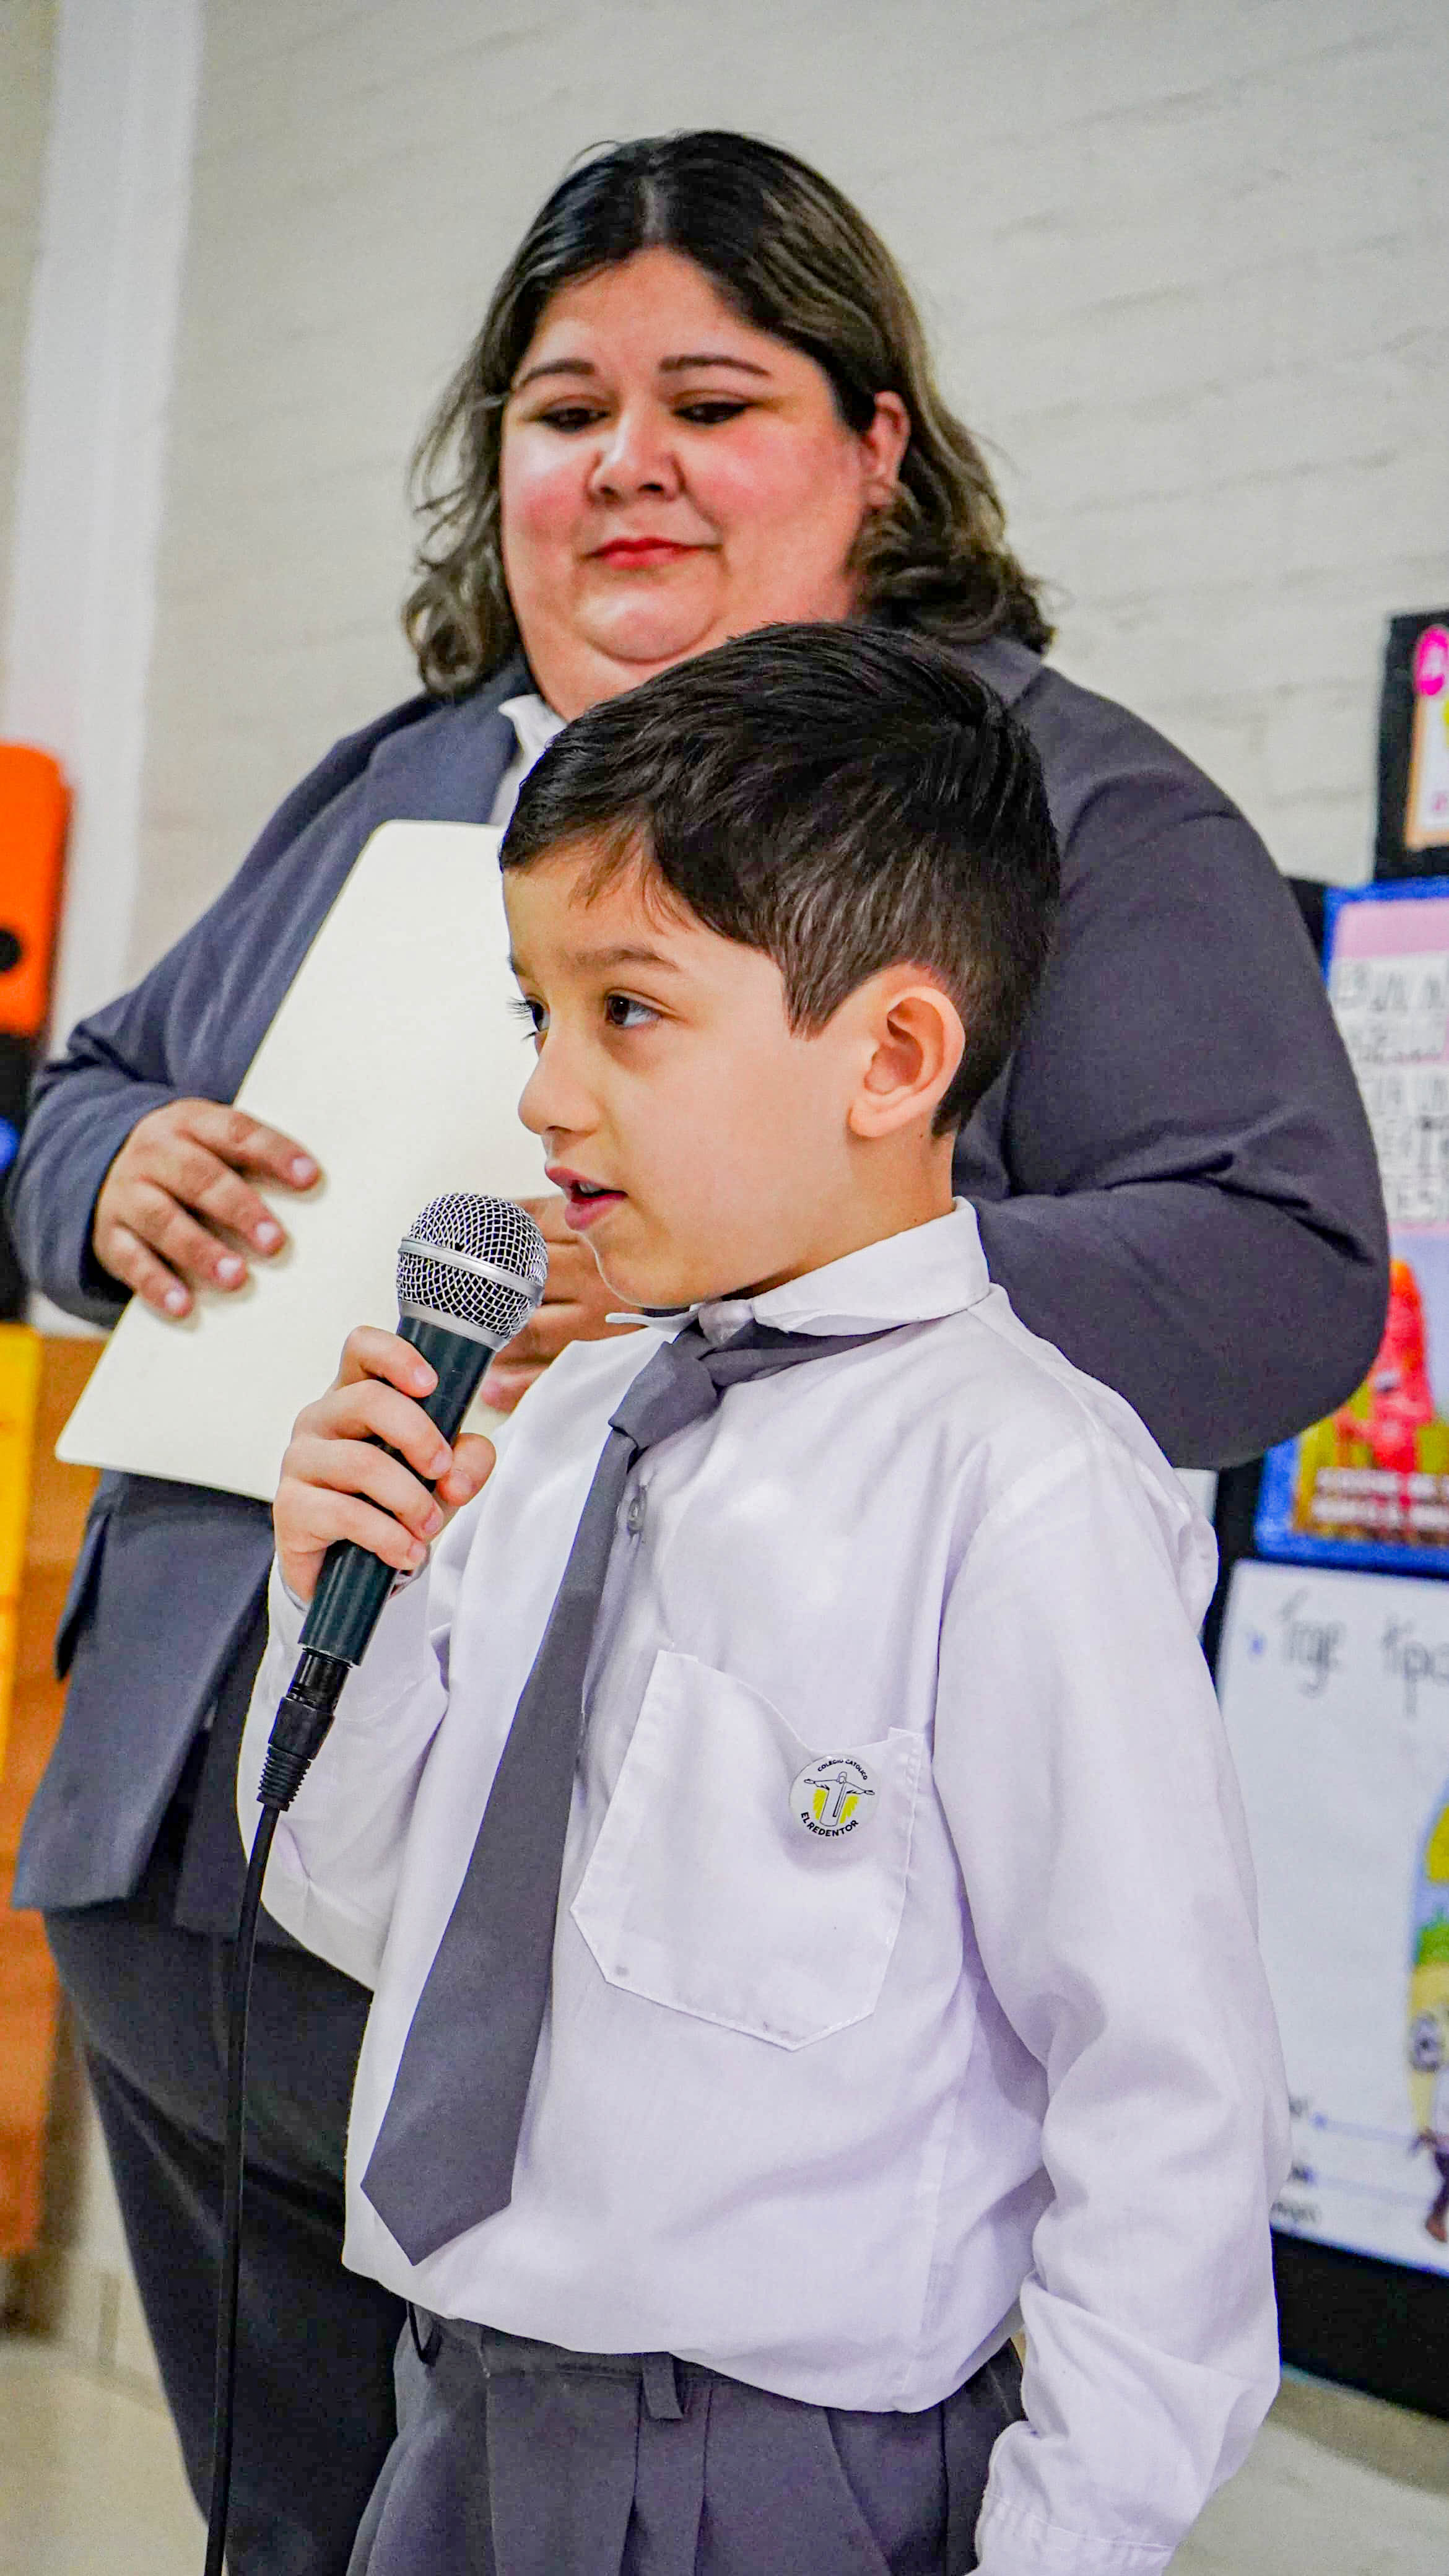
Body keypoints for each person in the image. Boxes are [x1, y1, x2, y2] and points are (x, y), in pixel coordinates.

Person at [6, 129, 1377, 2572]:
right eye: (560, 406)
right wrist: (94, 1171)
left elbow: (1275, 1261)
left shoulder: (1030, 805)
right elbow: (80, 1074)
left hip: (650, 2036)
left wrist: (781, 1311)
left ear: (880, 444)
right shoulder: (403, 775)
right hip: (222, 1873)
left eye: (709, 396)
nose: (621, 457)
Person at [241, 624, 1290, 2576]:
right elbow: (364, 1908)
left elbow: (1164, 2104)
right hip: (459, 2420)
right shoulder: (569, 1428)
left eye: (626, 1013)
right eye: (530, 1013)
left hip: (783, 2480)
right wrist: (342, 1607)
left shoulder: (1025, 1489)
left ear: (892, 1056)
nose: (545, 1098)